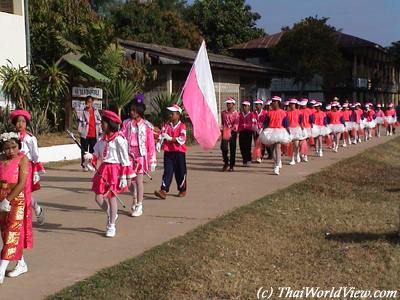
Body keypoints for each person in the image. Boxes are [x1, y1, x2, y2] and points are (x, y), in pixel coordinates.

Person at [84, 110, 134, 238]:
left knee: (112, 197)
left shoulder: (119, 140)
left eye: (103, 123)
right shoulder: (101, 140)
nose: (101, 125)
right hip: (104, 170)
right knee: (98, 197)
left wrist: (124, 176)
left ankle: (111, 225)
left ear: (110, 124)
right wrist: (90, 158)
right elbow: (97, 155)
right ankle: (112, 214)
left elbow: (125, 159)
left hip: (115, 170)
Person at [0, 132, 30, 284]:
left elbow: (22, 183)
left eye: (13, 147)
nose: (10, 151)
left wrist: (7, 200)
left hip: (16, 199)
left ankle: (1, 269)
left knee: (13, 231)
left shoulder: (22, 159)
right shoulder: (1, 159)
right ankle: (21, 263)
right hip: (1, 197)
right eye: (6, 148)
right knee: (5, 233)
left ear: (19, 146)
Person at [121, 96, 156, 217]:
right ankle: (134, 195)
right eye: (131, 110)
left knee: (139, 181)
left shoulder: (146, 125)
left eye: (134, 110)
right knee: (128, 181)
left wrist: (152, 160)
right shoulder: (126, 124)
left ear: (139, 111)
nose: (131, 112)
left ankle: (139, 205)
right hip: (128, 155)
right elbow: (121, 137)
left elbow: (150, 143)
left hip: (140, 156)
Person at [10, 110, 45, 225]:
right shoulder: (11, 137)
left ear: (26, 123)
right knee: (17, 192)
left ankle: (26, 219)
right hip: (14, 167)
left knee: (25, 192)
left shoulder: (30, 138)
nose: (20, 124)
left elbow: (35, 156)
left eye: (23, 122)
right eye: (18, 122)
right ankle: (37, 209)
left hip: (27, 167)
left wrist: (37, 171)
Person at [154, 105, 187, 199]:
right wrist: (159, 143)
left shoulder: (182, 126)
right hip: (168, 152)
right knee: (167, 171)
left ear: (178, 115)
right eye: (170, 113)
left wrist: (171, 139)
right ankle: (163, 190)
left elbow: (182, 138)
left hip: (179, 152)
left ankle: (182, 189)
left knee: (180, 171)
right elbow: (161, 135)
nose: (170, 115)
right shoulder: (166, 125)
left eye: (172, 113)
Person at [258, 96, 290, 175]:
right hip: (271, 131)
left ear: (278, 103)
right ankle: (276, 162)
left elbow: (285, 123)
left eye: (275, 101)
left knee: (277, 148)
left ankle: (276, 165)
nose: (273, 103)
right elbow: (266, 123)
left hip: (280, 131)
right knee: (272, 150)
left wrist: (288, 131)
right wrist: (262, 130)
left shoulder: (283, 112)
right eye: (273, 101)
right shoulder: (269, 113)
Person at [78, 96, 102, 171]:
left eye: (91, 102)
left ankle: (92, 163)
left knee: (93, 150)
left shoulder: (95, 110)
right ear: (86, 102)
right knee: (84, 150)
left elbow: (99, 119)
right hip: (85, 133)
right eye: (88, 102)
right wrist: (83, 107)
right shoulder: (83, 110)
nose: (89, 103)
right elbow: (78, 116)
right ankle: (84, 165)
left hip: (94, 133)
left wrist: (100, 129)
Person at [220, 97, 239, 171]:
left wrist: (231, 130)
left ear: (233, 104)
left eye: (229, 103)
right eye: (227, 103)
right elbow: (222, 122)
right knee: (223, 147)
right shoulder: (223, 113)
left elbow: (236, 124)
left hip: (233, 132)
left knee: (232, 149)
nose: (228, 105)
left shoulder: (236, 114)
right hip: (225, 131)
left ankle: (231, 165)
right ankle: (226, 162)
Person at [286, 99, 304, 165]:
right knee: (291, 145)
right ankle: (292, 159)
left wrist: (302, 130)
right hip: (289, 130)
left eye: (293, 104)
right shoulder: (287, 113)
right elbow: (286, 123)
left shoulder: (299, 112)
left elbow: (300, 122)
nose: (292, 105)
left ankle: (297, 153)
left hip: (296, 129)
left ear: (295, 105)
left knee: (296, 145)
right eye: (291, 104)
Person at [238, 101, 254, 167]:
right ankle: (244, 159)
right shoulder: (239, 115)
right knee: (242, 146)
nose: (244, 107)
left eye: (246, 106)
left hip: (248, 132)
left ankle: (248, 160)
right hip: (241, 132)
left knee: (248, 147)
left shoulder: (252, 115)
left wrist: (246, 126)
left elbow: (253, 123)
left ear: (249, 107)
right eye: (243, 106)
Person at [251, 99, 267, 163]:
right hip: (255, 130)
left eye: (258, 104)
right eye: (256, 104)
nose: (256, 106)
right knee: (256, 144)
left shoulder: (265, 113)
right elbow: (252, 121)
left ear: (261, 105)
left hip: (263, 130)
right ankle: (258, 156)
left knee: (262, 144)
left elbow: (266, 122)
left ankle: (261, 156)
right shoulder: (253, 113)